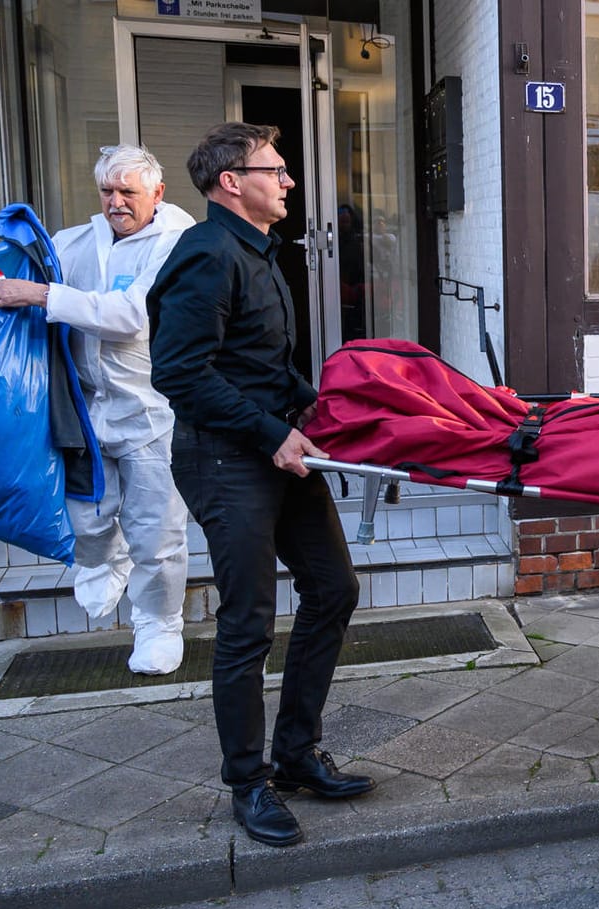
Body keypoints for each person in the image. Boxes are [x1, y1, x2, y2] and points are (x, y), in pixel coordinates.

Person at [148, 122, 372, 848]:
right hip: (225, 456)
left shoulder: (260, 251)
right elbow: (180, 372)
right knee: (248, 621)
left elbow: (255, 358)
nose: (289, 181)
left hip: (277, 441)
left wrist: (310, 402)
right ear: (230, 183)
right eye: (275, 169)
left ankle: (297, 754)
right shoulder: (207, 254)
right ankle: (248, 781)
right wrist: (273, 432)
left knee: (334, 586)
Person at [0, 144, 196, 675]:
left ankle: (159, 626)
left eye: (128, 192)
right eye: (107, 191)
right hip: (83, 409)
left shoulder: (177, 243)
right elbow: (23, 271)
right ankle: (103, 558)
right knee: (86, 513)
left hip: (150, 412)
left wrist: (40, 294)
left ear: (158, 194)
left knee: (155, 530)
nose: (116, 202)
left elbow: (130, 317)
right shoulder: (78, 241)